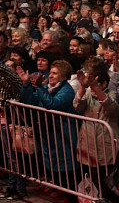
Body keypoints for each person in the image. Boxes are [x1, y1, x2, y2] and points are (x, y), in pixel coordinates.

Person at [17, 60, 78, 200]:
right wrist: (26, 85)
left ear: (64, 76)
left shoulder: (67, 90)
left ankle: (68, 192)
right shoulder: (48, 87)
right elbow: (30, 101)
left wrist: (38, 86)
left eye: (55, 73)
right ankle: (56, 185)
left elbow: (53, 104)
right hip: (49, 131)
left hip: (64, 133)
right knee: (51, 159)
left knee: (65, 161)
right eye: (50, 72)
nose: (50, 75)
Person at [73, 57, 119, 174]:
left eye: (96, 83)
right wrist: (83, 86)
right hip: (87, 142)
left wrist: (97, 89)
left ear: (104, 83)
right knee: (89, 176)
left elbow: (111, 107)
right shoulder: (87, 92)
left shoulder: (112, 93)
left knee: (106, 178)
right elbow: (77, 106)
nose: (92, 86)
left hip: (105, 143)